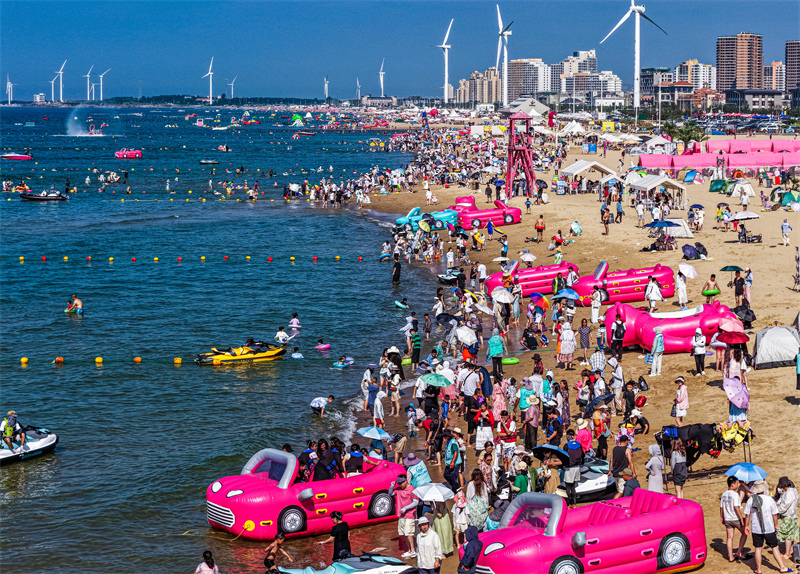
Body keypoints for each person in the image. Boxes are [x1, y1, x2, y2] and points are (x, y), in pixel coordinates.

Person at [745, 482, 789, 574]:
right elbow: (774, 515)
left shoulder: (751, 500)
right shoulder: (769, 499)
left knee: (758, 548)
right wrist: (776, 525)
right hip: (769, 528)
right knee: (774, 547)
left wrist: (746, 526)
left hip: (756, 528)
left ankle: (759, 569)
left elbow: (747, 515)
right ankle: (782, 567)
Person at [390, 475, 419, 558]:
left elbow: (416, 502)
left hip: (410, 515)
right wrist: (392, 486)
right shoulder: (398, 489)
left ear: (406, 481)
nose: (400, 485)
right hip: (401, 515)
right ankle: (409, 550)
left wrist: (406, 508)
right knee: (404, 534)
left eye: (401, 483)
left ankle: (413, 551)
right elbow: (390, 493)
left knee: (409, 533)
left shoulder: (412, 489)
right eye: (398, 483)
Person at [721, 476, 748, 562]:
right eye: (736, 483)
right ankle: (739, 551)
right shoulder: (735, 495)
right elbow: (736, 507)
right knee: (745, 533)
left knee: (729, 537)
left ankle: (730, 556)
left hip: (727, 518)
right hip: (735, 518)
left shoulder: (724, 494)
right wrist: (741, 518)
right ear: (733, 485)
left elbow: (721, 507)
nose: (737, 485)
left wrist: (722, 517)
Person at [775, 476, 799, 560]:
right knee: (791, 534)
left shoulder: (789, 493)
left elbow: (784, 506)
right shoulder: (794, 491)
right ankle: (791, 550)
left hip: (788, 516)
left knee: (787, 535)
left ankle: (787, 553)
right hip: (793, 515)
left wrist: (776, 511)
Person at [609, 434, 635, 499]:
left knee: (618, 489)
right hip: (623, 474)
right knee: (621, 491)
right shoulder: (627, 450)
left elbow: (611, 461)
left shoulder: (614, 449)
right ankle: (613, 503)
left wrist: (610, 471)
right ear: (626, 441)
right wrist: (633, 473)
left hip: (615, 473)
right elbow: (630, 462)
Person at [564, 439, 584, 507]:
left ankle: (567, 503)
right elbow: (582, 455)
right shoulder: (578, 444)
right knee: (573, 487)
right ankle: (574, 502)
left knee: (568, 487)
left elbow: (564, 456)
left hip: (570, 468)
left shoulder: (566, 445)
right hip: (577, 467)